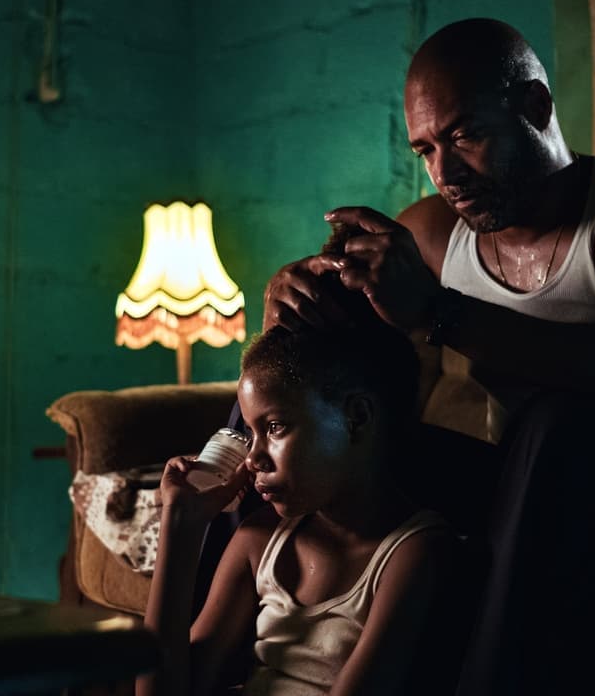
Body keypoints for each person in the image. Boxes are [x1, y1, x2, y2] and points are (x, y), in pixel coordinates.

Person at [262, 18, 595, 694]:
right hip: (525, 492)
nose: (445, 173)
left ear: (536, 107)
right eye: (426, 149)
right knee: (298, 403)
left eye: (465, 136)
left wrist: (440, 313)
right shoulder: (434, 232)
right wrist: (290, 305)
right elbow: (339, 382)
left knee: (555, 423)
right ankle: (203, 665)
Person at [136, 240, 470, 696]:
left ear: (357, 418)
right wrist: (180, 528)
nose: (253, 458)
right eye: (251, 431)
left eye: (274, 427)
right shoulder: (258, 540)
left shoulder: (411, 554)